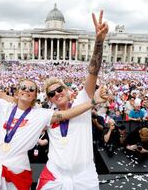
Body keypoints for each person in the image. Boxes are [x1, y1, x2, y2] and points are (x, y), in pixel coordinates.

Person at [0, 52, 108, 190]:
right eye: (23, 87)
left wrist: (93, 102)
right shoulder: (4, 106)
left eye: (32, 89)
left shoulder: (42, 115)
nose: (27, 90)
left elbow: (68, 113)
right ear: (17, 92)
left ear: (35, 97)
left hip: (20, 170)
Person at [37, 10, 109, 190]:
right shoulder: (47, 116)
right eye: (52, 93)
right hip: (54, 175)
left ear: (68, 91)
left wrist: (99, 42)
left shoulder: (82, 103)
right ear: (49, 99)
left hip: (84, 177)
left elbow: (93, 71)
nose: (57, 94)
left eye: (60, 89)